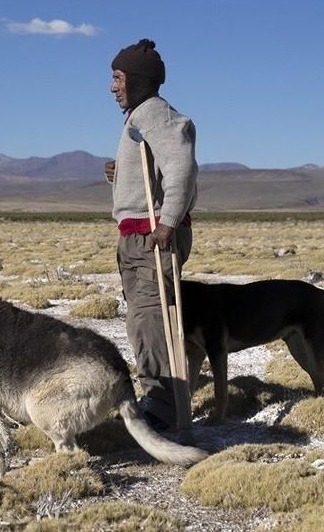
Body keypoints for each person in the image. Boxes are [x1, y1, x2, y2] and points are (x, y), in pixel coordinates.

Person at [104, 39, 198, 430]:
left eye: (118, 77)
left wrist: (168, 220)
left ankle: (163, 407)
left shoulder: (153, 114)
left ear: (137, 80)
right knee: (146, 317)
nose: (113, 87)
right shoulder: (139, 116)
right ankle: (166, 397)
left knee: (149, 319)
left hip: (151, 235)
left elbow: (180, 167)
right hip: (140, 234)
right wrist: (119, 172)